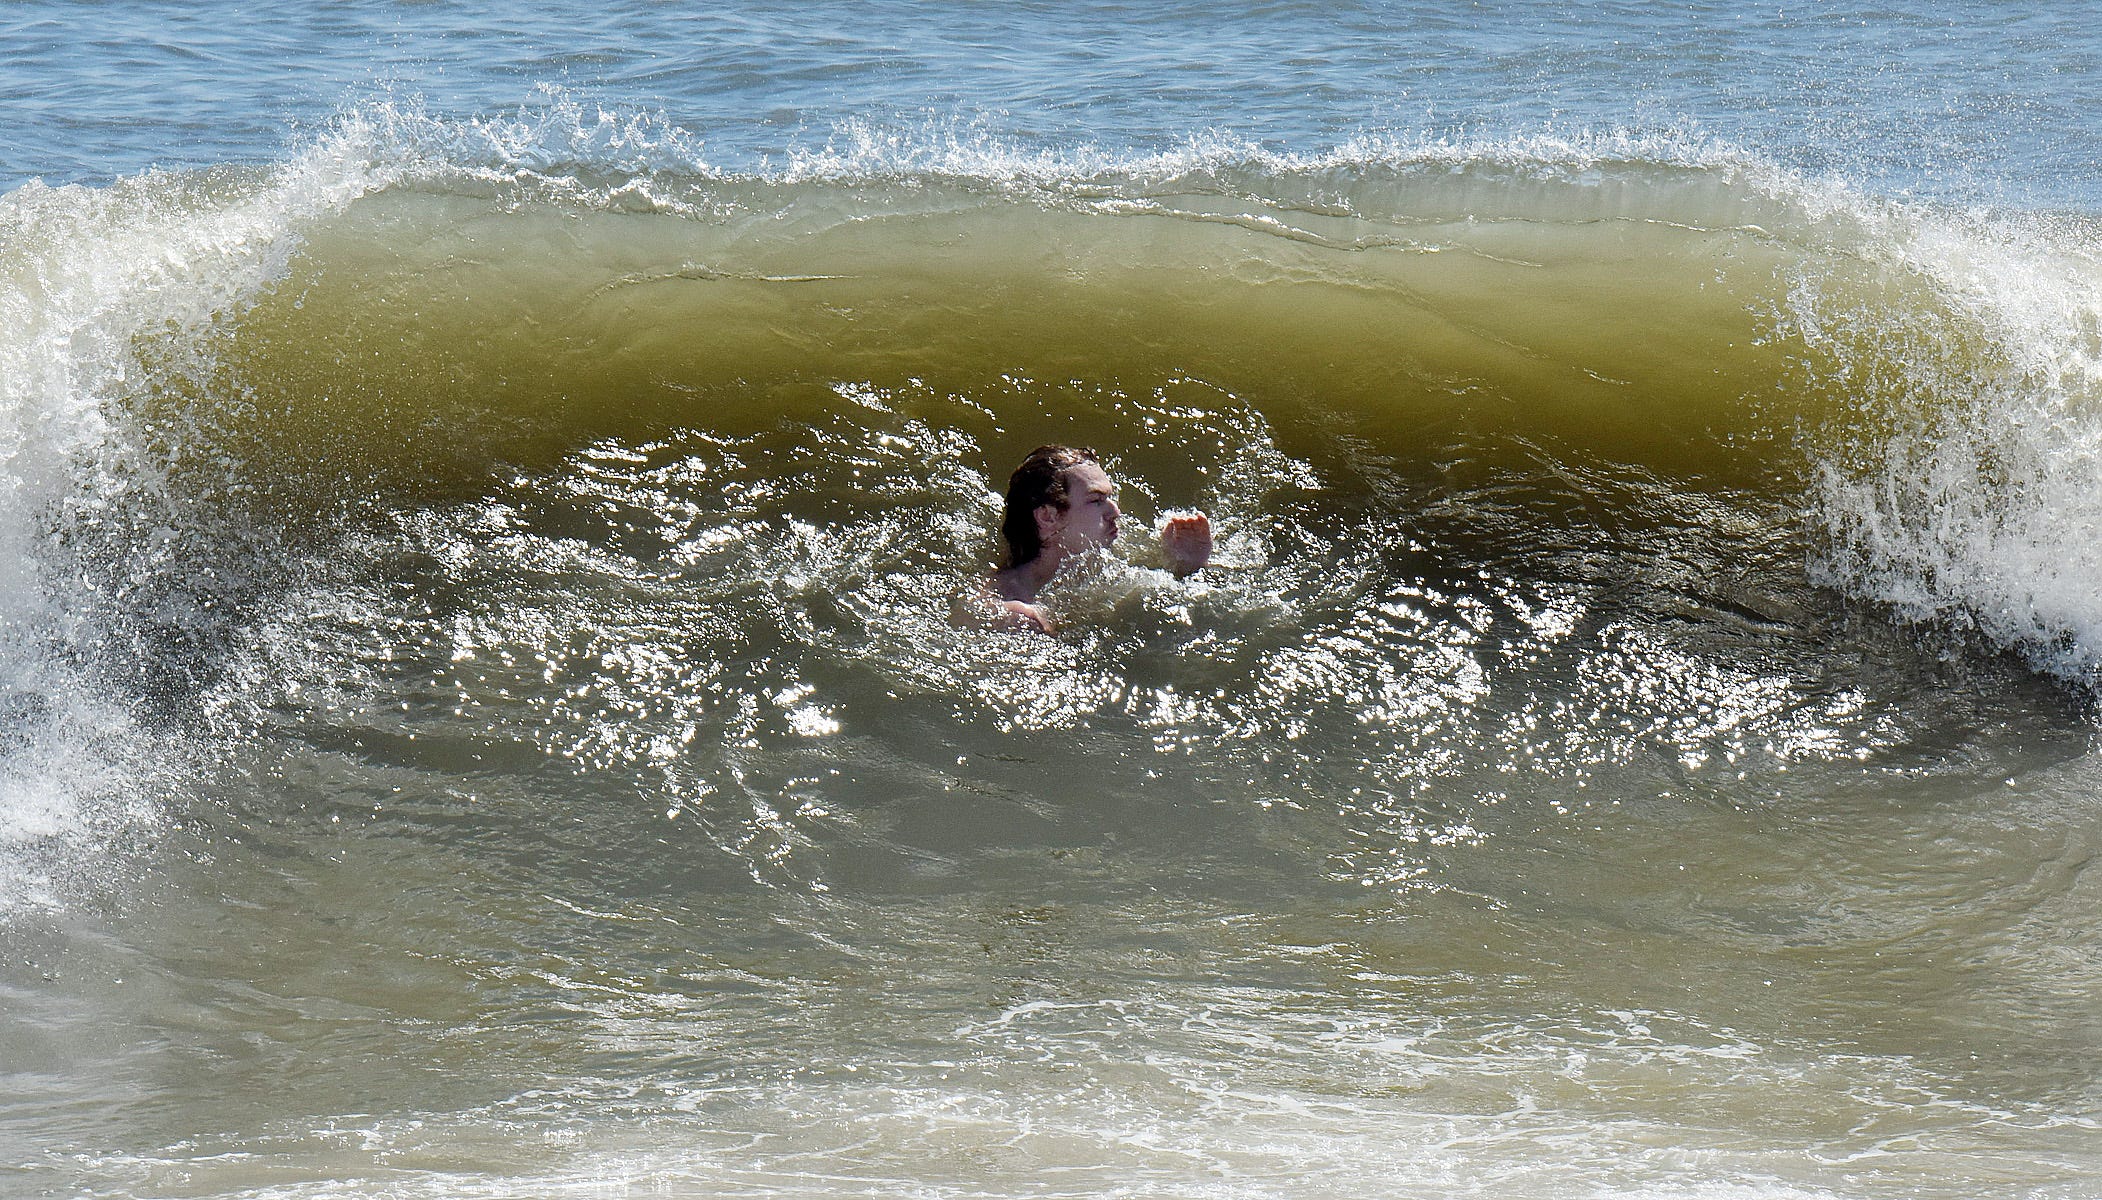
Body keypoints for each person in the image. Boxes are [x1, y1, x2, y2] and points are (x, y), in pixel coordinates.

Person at [983, 444, 1212, 633]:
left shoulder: (1096, 566)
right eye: (1096, 500)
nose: (1115, 512)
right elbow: (971, 612)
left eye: (1109, 498)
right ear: (1048, 517)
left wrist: (1188, 566)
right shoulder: (1012, 607)